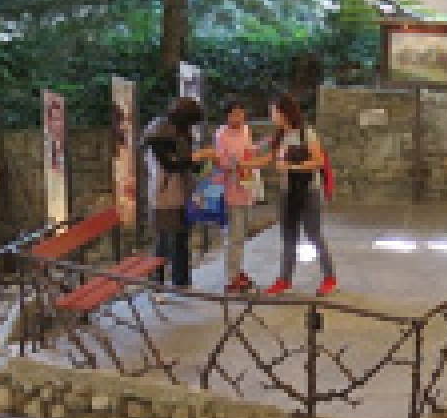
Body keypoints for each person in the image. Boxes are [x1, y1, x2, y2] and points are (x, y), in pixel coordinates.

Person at [266, 93, 336, 297]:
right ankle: (284, 279)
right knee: (288, 236)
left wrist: (291, 165)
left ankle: (329, 278)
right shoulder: (279, 136)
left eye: (274, 111)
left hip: (308, 191)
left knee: (314, 234)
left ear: (284, 113)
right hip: (287, 191)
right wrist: (241, 164)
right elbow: (269, 159)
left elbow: (318, 161)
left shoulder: (307, 133)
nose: (271, 115)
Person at [142, 95, 204, 288]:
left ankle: (182, 283)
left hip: (183, 192)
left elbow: (188, 164)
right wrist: (195, 158)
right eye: (191, 122)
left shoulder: (182, 132)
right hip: (164, 193)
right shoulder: (158, 131)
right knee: (164, 240)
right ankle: (157, 284)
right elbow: (168, 165)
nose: (192, 127)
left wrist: (201, 164)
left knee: (181, 238)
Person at [213, 101, 265, 294]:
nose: (238, 118)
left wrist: (256, 150)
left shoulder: (246, 130)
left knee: (242, 234)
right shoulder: (221, 135)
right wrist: (237, 163)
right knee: (234, 236)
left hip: (246, 187)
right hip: (231, 190)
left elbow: (249, 151)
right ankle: (231, 278)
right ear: (226, 116)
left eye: (241, 114)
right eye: (234, 114)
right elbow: (221, 163)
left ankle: (237, 270)